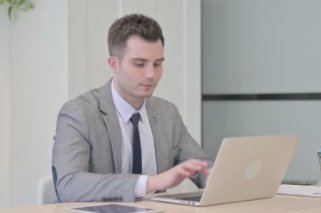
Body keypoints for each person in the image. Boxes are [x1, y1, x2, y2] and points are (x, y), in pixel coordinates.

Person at [52, 14, 213, 202]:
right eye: (139, 64)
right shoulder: (79, 113)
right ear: (114, 64)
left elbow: (200, 166)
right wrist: (151, 183)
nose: (151, 74)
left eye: (158, 64)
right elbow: (69, 185)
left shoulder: (167, 113)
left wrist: (211, 177)